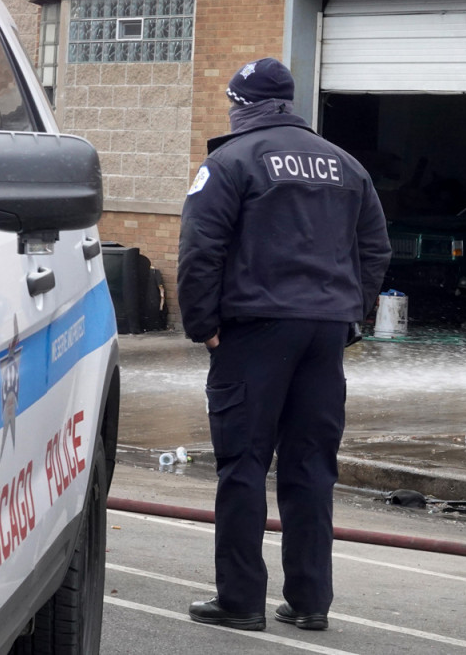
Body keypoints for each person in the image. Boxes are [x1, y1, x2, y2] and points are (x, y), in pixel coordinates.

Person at [178, 57, 391, 631]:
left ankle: (241, 601)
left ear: (242, 104)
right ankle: (309, 602)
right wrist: (352, 316)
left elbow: (201, 247)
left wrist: (203, 324)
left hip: (255, 330)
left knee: (243, 465)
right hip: (324, 334)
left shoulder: (229, 161)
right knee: (311, 466)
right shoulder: (347, 166)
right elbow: (375, 249)